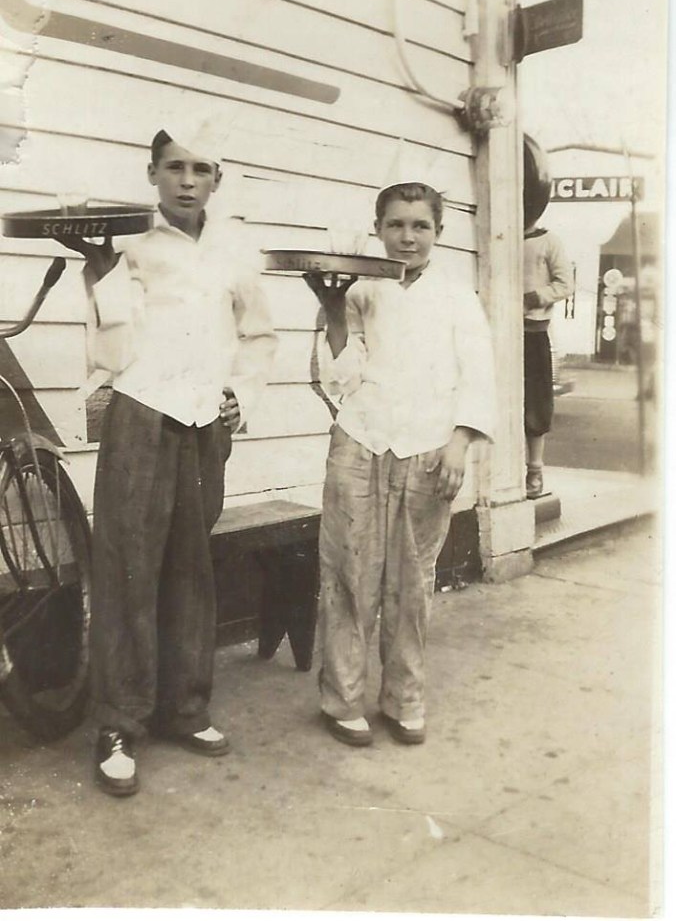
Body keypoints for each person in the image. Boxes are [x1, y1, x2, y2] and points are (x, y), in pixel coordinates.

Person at [62, 123, 277, 796]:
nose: (187, 181)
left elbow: (259, 336)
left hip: (205, 422)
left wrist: (241, 395)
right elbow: (111, 351)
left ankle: (184, 708)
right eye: (175, 167)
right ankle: (119, 723)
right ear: (152, 173)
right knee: (128, 568)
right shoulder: (129, 245)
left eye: (200, 169)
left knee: (191, 566)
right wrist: (102, 273)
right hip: (141, 415)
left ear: (218, 179)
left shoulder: (235, 251)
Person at [304, 179, 495, 748]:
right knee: (349, 572)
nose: (407, 237)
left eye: (420, 226)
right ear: (378, 228)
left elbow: (478, 376)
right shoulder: (357, 288)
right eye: (395, 225)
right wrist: (332, 308)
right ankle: (342, 699)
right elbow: (338, 379)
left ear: (439, 231)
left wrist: (459, 443)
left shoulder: (457, 297)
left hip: (430, 450)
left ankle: (404, 698)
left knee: (412, 582)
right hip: (361, 442)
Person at [523, 224, 574, 499]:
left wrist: (537, 297)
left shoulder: (549, 241)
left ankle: (535, 470)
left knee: (536, 405)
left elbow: (566, 283)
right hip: (500, 329)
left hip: (533, 332)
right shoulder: (502, 236)